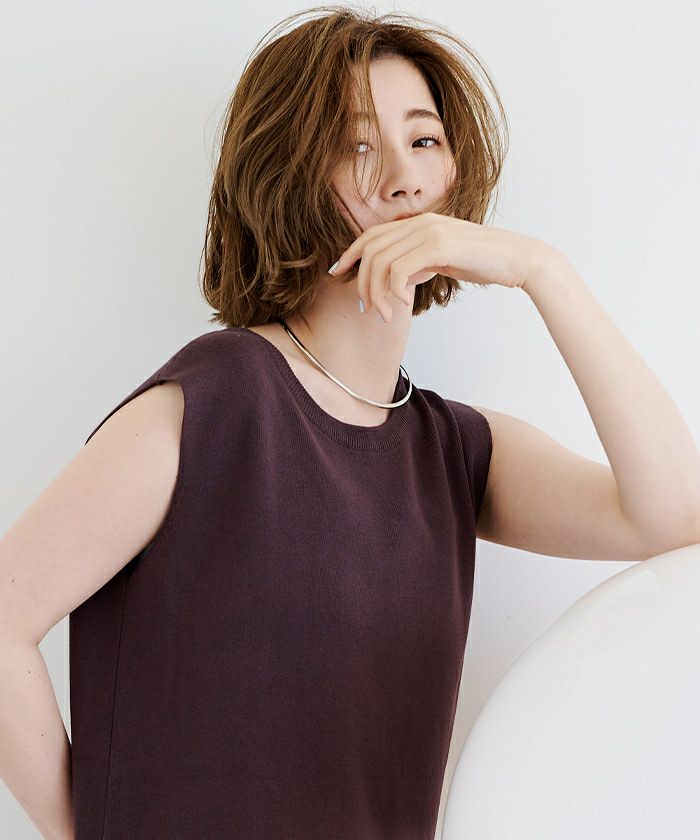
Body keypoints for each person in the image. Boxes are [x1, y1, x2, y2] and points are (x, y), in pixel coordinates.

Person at [3, 6, 697, 840]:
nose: (404, 179)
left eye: (425, 140)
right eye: (358, 145)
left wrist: (544, 272)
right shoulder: (218, 401)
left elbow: (673, 519)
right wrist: (88, 830)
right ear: (289, 173)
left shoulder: (456, 451)